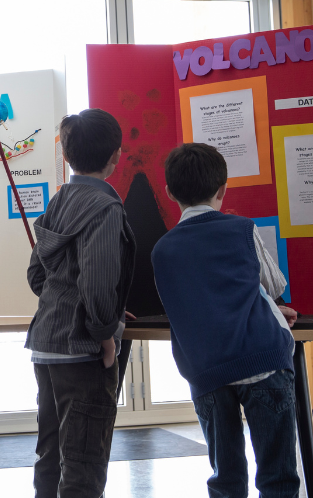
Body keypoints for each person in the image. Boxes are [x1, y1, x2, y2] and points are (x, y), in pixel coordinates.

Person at [152, 143, 299, 498]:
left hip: (208, 374)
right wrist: (271, 305)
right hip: (264, 361)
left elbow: (191, 302)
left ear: (170, 192)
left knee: (227, 478)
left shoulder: (162, 250)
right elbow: (273, 284)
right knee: (278, 477)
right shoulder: (241, 229)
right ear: (222, 189)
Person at [26, 109, 136, 497]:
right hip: (82, 351)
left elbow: (37, 276)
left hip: (46, 343)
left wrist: (67, 303)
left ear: (67, 158)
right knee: (84, 461)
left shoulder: (58, 202)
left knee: (50, 454)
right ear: (116, 156)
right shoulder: (105, 207)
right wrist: (104, 332)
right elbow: (96, 279)